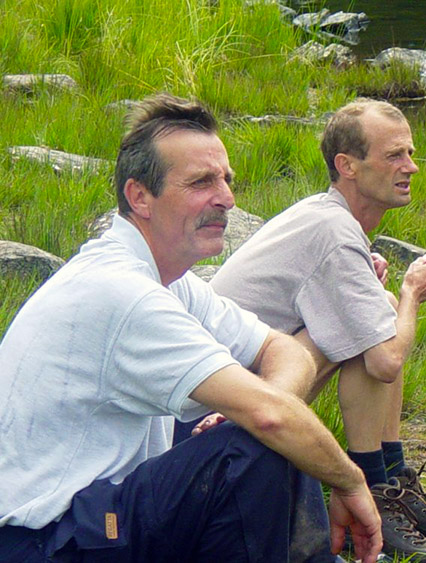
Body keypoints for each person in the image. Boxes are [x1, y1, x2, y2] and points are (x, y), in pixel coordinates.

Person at [0, 93, 382, 563]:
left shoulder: (167, 279)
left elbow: (287, 353)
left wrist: (272, 404)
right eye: (202, 182)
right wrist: (349, 478)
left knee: (268, 427)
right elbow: (270, 417)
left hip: (90, 512)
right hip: (41, 539)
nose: (226, 198)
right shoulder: (121, 291)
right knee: (257, 443)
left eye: (226, 179)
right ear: (139, 196)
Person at [211, 99, 426, 562]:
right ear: (347, 165)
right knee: (382, 322)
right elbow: (385, 363)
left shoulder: (327, 216)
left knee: (378, 310)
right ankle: (374, 493)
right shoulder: (333, 231)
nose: (411, 167)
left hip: (244, 391)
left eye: (411, 154)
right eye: (394, 155)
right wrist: (414, 292)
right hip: (218, 416)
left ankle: (390, 481)